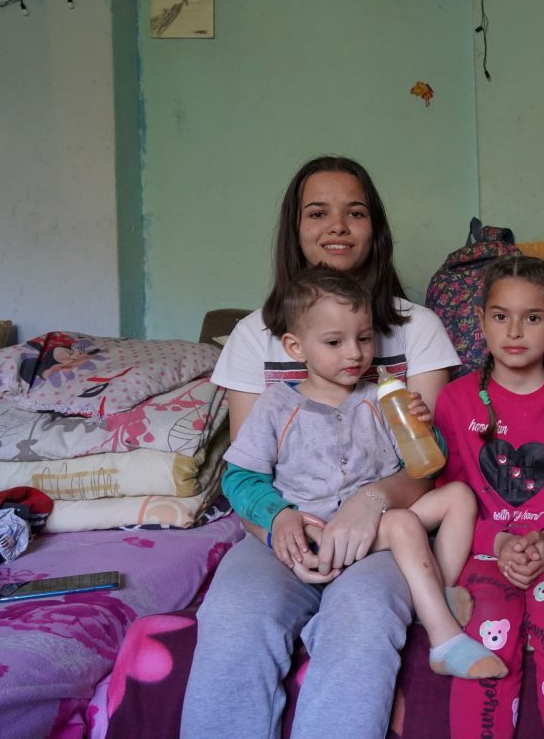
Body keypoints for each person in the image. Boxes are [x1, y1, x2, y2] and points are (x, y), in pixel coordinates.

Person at [182, 155, 459, 738]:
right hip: (281, 534)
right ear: (295, 228)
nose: (337, 226)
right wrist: (278, 526)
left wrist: (370, 502)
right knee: (233, 618)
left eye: (354, 212)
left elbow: (426, 465)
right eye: (318, 213)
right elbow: (247, 473)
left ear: (375, 229)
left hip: (381, 537)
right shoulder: (254, 336)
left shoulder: (418, 328)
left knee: (363, 619)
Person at [434, 255, 544, 738]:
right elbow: (450, 501)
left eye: (532, 318)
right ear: (481, 321)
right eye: (500, 316)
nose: (514, 331)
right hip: (484, 550)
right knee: (487, 629)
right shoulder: (455, 400)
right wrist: (497, 542)